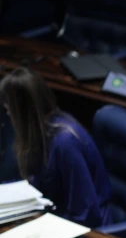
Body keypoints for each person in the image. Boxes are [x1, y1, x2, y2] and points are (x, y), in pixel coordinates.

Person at [0, 67, 111, 227]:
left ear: (23, 111)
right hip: (54, 218)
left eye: (9, 109)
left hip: (88, 230)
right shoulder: (40, 134)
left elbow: (85, 213)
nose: (8, 115)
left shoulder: (65, 143)